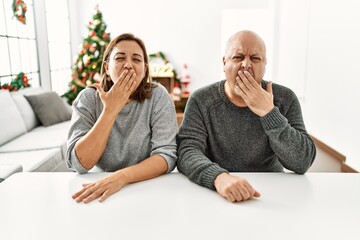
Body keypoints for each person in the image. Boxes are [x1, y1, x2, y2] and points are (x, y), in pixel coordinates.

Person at [177, 30, 316, 203]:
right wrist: (219, 177)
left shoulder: (285, 98)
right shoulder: (201, 100)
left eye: (255, 59)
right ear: (224, 62)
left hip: (272, 195)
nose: (246, 65)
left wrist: (269, 112)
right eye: (238, 57)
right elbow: (187, 151)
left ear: (265, 64)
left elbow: (303, 162)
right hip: (217, 192)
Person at [66, 33, 178, 203]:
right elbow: (79, 163)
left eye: (137, 60)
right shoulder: (88, 98)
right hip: (100, 187)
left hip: (147, 186)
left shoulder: (158, 96)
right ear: (106, 68)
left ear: (145, 69)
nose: (128, 65)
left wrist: (122, 177)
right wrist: (110, 110)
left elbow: (166, 155)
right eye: (119, 58)